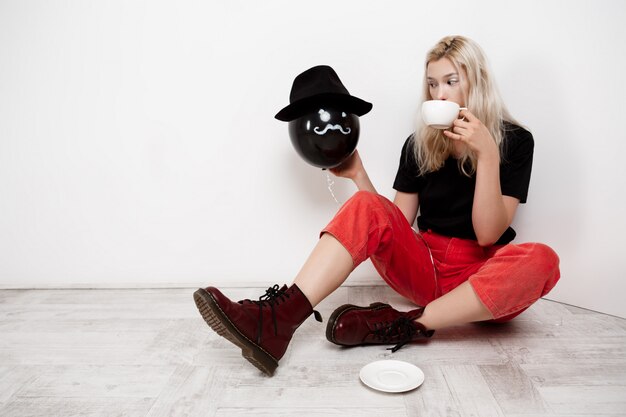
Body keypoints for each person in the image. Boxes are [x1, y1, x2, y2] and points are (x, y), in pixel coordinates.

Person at [193, 35, 561, 376]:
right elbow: (392, 227)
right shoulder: (419, 144)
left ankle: (410, 323)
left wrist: (487, 155)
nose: (440, 93)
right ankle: (278, 319)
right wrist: (359, 177)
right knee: (369, 203)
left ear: (476, 81)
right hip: (426, 268)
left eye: (451, 81)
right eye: (432, 84)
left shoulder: (515, 141)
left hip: (482, 283)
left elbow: (487, 234)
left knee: (542, 260)